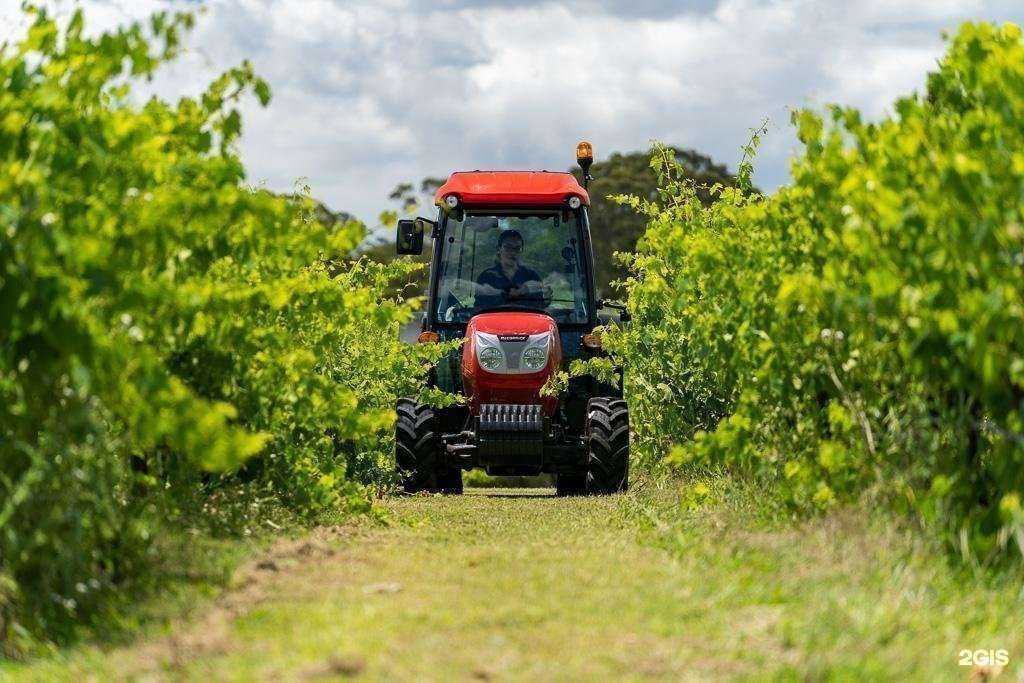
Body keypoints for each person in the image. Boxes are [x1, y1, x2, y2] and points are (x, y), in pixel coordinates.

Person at [474, 229, 551, 309]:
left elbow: (540, 306)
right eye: (508, 247)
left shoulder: (531, 276)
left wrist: (546, 299)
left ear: (521, 250)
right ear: (498, 249)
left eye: (517, 248)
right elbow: (479, 309)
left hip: (527, 320)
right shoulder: (486, 277)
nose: (513, 252)